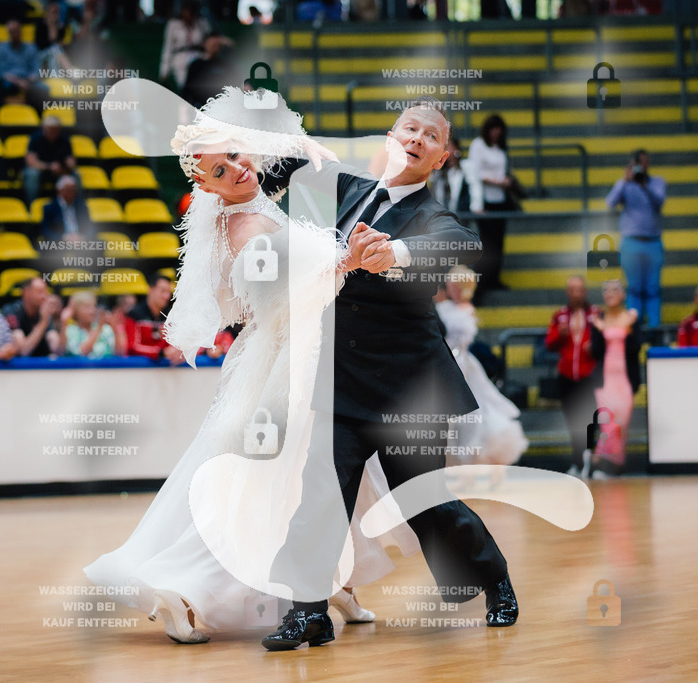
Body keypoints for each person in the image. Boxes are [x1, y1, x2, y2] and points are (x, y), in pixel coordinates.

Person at [85, 88, 401, 643]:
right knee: (273, 484)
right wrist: (346, 258)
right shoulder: (243, 227)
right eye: (218, 168)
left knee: (325, 477)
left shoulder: (253, 205)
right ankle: (180, 589)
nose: (235, 168)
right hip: (289, 362)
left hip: (300, 353)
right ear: (202, 185)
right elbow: (286, 295)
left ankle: (333, 581)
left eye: (235, 155)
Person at [267, 97, 517, 651]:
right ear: (390, 136)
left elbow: (462, 245)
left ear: (441, 158)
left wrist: (396, 252)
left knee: (423, 500)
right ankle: (306, 613)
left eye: (431, 136)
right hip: (343, 380)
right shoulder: (347, 189)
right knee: (321, 497)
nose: (418, 138)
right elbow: (286, 168)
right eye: (410, 127)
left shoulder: (434, 216)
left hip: (408, 388)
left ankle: (493, 579)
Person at [436, 265, 528, 488]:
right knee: (456, 425)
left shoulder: (465, 310)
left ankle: (484, 470)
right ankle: (460, 472)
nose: (449, 286)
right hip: (451, 366)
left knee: (475, 419)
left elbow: (461, 339)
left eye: (453, 283)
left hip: (463, 367)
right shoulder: (444, 306)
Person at [545, 275, 600, 477]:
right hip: (567, 375)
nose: (577, 294)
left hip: (588, 375)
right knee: (572, 421)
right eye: (573, 290)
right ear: (568, 292)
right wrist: (560, 335)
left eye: (580, 289)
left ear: (585, 292)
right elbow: (549, 344)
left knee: (591, 420)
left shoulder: (595, 314)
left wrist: (595, 347)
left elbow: (605, 343)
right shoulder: (560, 316)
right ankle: (578, 462)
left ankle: (591, 462)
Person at [586, 279, 641, 479]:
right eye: (606, 290)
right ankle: (599, 461)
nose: (610, 293)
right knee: (608, 422)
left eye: (615, 290)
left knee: (622, 423)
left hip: (625, 379)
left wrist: (628, 329)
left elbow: (636, 348)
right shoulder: (598, 320)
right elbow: (595, 351)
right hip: (605, 379)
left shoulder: (632, 318)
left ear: (623, 295)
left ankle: (616, 464)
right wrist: (600, 330)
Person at [605, 148, 666, 327]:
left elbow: (659, 202)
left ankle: (655, 327)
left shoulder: (657, 183)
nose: (643, 166)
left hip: (653, 242)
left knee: (653, 288)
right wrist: (625, 180)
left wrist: (643, 186)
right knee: (634, 288)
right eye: (639, 163)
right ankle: (635, 326)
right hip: (631, 242)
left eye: (645, 162)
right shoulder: (625, 184)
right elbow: (610, 203)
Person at [467, 114, 523, 293]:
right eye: (493, 129)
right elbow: (474, 172)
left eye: (499, 130)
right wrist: (498, 182)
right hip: (484, 200)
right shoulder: (478, 145)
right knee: (487, 242)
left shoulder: (501, 147)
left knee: (498, 241)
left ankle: (494, 278)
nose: (496, 133)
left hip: (500, 199)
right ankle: (483, 279)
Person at [124, 273, 184, 363]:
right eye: (163, 291)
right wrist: (160, 353)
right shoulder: (134, 314)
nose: (166, 296)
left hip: (166, 372)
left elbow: (176, 345)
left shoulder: (171, 316)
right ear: (150, 289)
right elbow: (131, 347)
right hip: (138, 371)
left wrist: (177, 350)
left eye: (168, 292)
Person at [0, 19, 48, 111]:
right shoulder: (1, 48)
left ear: (21, 31)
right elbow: (2, 72)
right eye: (12, 32)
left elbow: (36, 70)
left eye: (16, 31)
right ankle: (1, 116)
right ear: (8, 33)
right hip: (10, 81)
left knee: (44, 89)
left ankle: (39, 117)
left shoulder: (31, 48)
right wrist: (18, 82)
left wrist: (28, 80)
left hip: (28, 80)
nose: (14, 34)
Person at [159, 0, 211, 92]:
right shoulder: (173, 25)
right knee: (184, 86)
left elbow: (209, 42)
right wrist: (164, 72)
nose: (187, 16)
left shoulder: (202, 24)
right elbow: (167, 48)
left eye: (190, 13)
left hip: (198, 57)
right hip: (181, 58)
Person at [1, 278, 62, 357]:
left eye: (45, 292)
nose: (44, 297)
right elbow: (23, 351)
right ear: (26, 293)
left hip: (41, 364)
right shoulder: (11, 312)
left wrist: (63, 322)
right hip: (16, 367)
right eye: (40, 292)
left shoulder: (44, 313)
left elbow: (57, 350)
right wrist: (43, 322)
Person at [23, 116, 78, 203]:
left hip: (59, 171)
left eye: (56, 130)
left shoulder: (64, 139)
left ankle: (77, 206)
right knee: (32, 174)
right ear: (44, 128)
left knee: (75, 175)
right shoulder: (36, 138)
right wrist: (49, 166)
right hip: (41, 170)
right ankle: (32, 205)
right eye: (51, 130)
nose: (53, 132)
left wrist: (67, 167)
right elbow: (31, 161)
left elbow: (70, 160)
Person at [181, 33, 237, 109]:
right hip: (201, 107)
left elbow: (236, 83)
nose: (214, 46)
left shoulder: (224, 65)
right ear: (204, 44)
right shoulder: (196, 64)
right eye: (212, 44)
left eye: (216, 45)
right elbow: (187, 91)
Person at [64, 290, 125, 358]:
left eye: (94, 306)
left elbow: (120, 353)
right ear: (75, 310)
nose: (92, 311)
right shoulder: (70, 330)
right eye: (87, 307)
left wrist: (116, 329)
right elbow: (82, 352)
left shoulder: (106, 329)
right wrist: (99, 328)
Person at [429, 137, 481, 215]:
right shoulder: (438, 170)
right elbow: (433, 189)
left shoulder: (466, 166)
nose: (447, 151)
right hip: (442, 215)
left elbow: (475, 187)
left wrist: (476, 206)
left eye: (449, 147)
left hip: (462, 213)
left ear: (457, 149)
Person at [40, 175, 91, 242]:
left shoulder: (81, 206)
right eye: (69, 190)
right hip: (61, 242)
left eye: (74, 190)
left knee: (100, 244)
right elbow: (46, 231)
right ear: (60, 191)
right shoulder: (50, 208)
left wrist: (83, 237)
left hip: (80, 241)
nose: (73, 193)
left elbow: (90, 227)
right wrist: (64, 238)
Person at [35, 2, 74, 71]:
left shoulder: (61, 28)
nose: (56, 15)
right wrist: (50, 25)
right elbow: (44, 44)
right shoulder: (40, 26)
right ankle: (70, 71)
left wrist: (53, 25)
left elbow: (60, 45)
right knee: (55, 49)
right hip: (40, 54)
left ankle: (57, 77)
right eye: (54, 12)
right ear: (47, 12)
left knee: (54, 54)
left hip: (54, 54)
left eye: (58, 12)